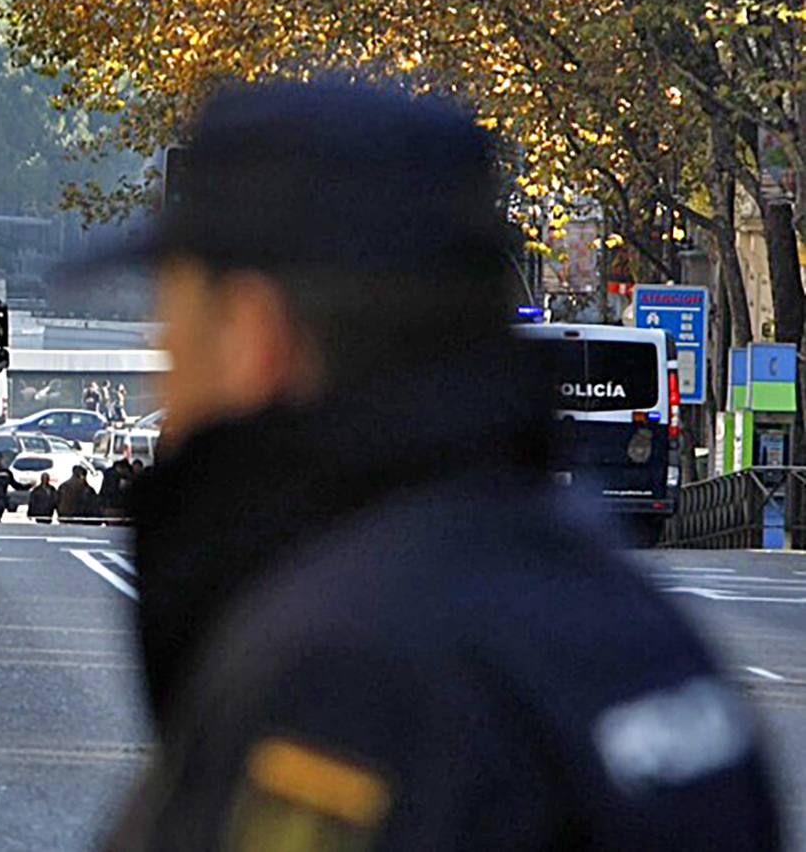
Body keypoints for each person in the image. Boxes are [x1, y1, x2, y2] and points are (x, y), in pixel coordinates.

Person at [102, 81, 777, 849]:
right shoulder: (635, 624)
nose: (164, 368)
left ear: (256, 336)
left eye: (173, 322)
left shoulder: (344, 677)